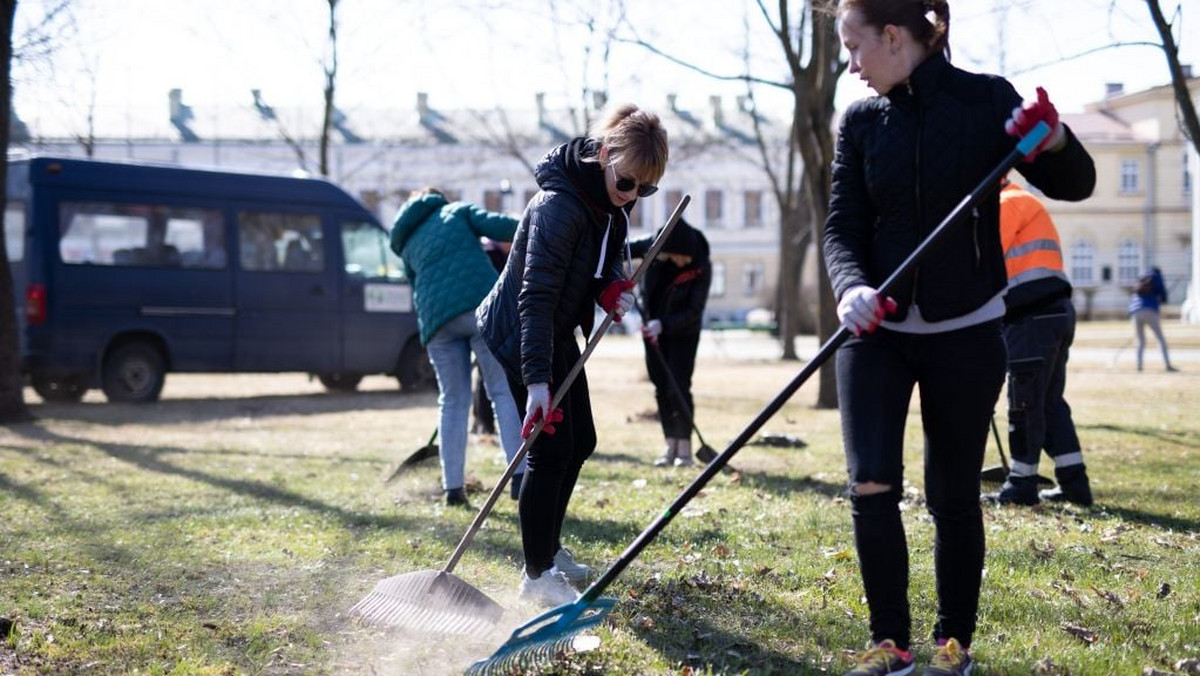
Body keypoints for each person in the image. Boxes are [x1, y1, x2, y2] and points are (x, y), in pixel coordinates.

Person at [824, 2, 1096, 675]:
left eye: (855, 46)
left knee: (952, 493)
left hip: (967, 331)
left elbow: (1075, 182)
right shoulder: (860, 122)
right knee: (870, 485)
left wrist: (1054, 139)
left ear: (893, 36)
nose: (850, 66)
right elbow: (841, 226)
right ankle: (890, 644)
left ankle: (952, 645)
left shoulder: (985, 102)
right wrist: (850, 286)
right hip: (875, 331)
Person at [477, 103, 669, 606]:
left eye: (645, 190)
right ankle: (536, 576)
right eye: (628, 183)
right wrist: (537, 382)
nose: (633, 196)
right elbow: (535, 297)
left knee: (580, 440)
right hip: (522, 333)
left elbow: (595, 268)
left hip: (556, 330)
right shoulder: (558, 207)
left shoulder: (607, 206)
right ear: (604, 154)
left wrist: (609, 291)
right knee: (549, 450)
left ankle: (549, 547)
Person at [389, 188, 527, 508]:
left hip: (437, 322)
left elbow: (415, 283)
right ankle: (519, 478)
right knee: (501, 391)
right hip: (480, 308)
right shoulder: (457, 212)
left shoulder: (408, 242)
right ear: (439, 199)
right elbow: (503, 227)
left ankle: (453, 489)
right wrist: (541, 219)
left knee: (452, 400)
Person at [984, 178, 1092, 507]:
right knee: (1048, 403)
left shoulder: (1006, 205)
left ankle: (1021, 485)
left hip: (1031, 317)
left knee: (1025, 403)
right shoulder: (1025, 201)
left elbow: (984, 260)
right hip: (1055, 313)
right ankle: (1075, 484)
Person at [629, 217, 712, 467]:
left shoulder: (700, 261)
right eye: (675, 257)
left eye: (682, 258)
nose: (679, 263)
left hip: (684, 332)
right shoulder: (655, 246)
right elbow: (621, 248)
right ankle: (670, 445)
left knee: (679, 385)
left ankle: (684, 448)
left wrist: (664, 323)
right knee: (661, 386)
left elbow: (695, 310)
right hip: (652, 330)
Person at [470, 237, 513, 436]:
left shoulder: (504, 255)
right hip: (486, 320)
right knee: (486, 376)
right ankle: (484, 424)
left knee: (488, 375)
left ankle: (482, 423)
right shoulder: (490, 254)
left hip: (500, 321)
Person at [1129, 266, 1178, 373]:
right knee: (1160, 338)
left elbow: (1135, 293)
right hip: (1150, 309)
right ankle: (1167, 364)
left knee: (1140, 340)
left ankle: (1139, 365)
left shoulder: (1141, 277)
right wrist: (1163, 299)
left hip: (1135, 311)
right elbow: (1162, 292)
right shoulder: (1157, 276)